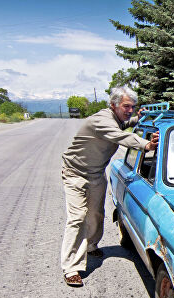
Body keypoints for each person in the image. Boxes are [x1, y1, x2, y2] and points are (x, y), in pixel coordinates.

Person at [60, 86, 159, 287]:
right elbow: (119, 135)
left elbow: (122, 125)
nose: (130, 110)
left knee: (96, 214)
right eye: (126, 106)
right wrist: (146, 145)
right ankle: (72, 267)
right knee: (77, 217)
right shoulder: (101, 120)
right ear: (113, 105)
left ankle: (91, 245)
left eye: (133, 106)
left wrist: (135, 119)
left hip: (96, 173)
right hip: (75, 173)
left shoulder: (115, 119)